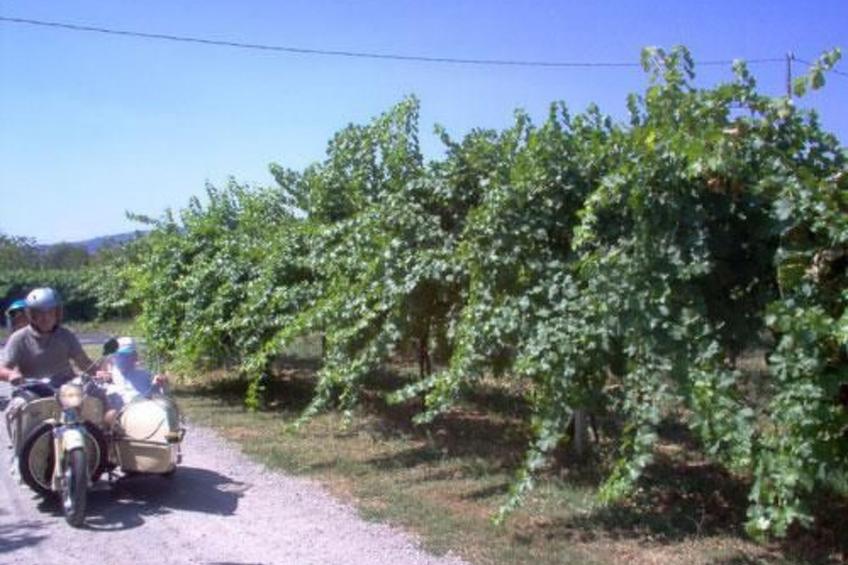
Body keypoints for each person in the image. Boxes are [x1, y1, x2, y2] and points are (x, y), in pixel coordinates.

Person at [1, 287, 101, 457]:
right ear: (31, 315)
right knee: (16, 408)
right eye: (39, 313)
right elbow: (3, 367)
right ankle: (20, 457)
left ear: (57, 313)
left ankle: (99, 452)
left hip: (65, 387)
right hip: (33, 389)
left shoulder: (66, 336)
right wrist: (11, 375)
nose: (46, 317)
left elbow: (83, 362)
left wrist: (98, 372)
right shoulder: (19, 338)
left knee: (95, 400)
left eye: (50, 312)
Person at [101, 336, 168, 427]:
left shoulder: (145, 375)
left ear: (135, 357)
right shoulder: (109, 375)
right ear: (114, 357)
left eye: (129, 355)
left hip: (143, 411)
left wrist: (159, 383)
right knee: (111, 414)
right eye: (121, 355)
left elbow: (155, 394)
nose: (125, 359)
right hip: (122, 415)